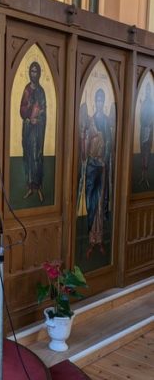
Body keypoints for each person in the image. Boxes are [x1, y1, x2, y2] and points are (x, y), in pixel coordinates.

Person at [80, 88, 113, 258]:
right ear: (95, 102)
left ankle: (99, 240)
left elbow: (109, 143)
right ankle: (91, 240)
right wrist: (85, 137)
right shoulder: (90, 121)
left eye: (102, 100)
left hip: (101, 166)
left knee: (100, 203)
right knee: (91, 202)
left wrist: (104, 160)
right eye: (98, 100)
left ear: (104, 102)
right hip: (91, 166)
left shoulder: (106, 121)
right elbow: (84, 150)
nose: (99, 103)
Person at [19, 61, 46, 202]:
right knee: (28, 155)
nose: (33, 74)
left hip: (38, 130)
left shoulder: (41, 91)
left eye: (35, 71)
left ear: (39, 74)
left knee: (37, 156)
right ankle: (30, 186)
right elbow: (22, 109)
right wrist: (29, 115)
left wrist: (38, 118)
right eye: (31, 71)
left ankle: (38, 186)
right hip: (28, 128)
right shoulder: (26, 90)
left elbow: (43, 111)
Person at [139, 83, 154, 188]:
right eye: (146, 89)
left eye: (149, 90)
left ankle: (146, 177)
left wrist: (148, 126)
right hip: (142, 130)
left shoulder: (152, 103)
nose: (147, 91)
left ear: (150, 91)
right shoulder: (143, 103)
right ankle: (142, 176)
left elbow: (152, 119)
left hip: (149, 131)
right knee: (142, 152)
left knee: (147, 153)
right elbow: (140, 117)